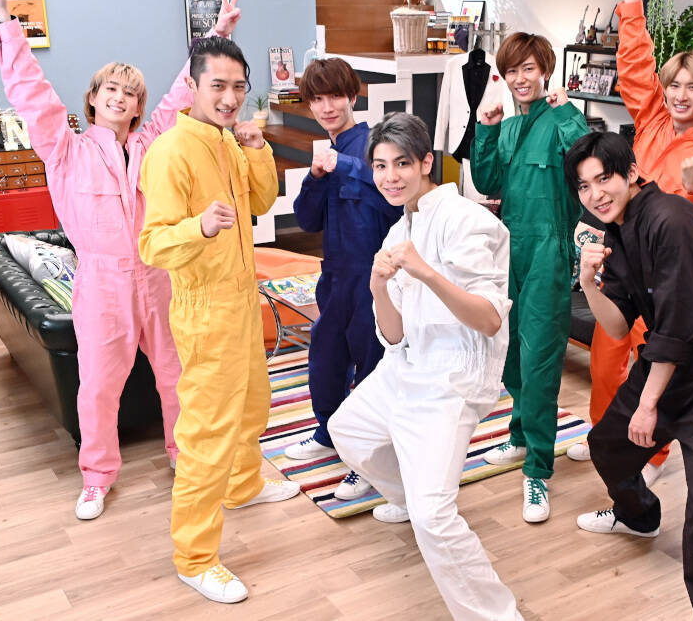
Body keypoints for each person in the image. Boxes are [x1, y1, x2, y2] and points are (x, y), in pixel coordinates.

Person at [0, 0, 244, 520]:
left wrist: (217, 32)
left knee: (177, 374)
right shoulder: (65, 149)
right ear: (94, 98)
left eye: (131, 93)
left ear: (139, 106)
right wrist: (3, 19)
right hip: (101, 283)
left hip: (158, 274)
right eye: (111, 90)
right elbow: (33, 95)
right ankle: (97, 477)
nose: (121, 98)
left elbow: (182, 93)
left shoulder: (153, 143)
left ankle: (183, 456)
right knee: (98, 385)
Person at [328, 112, 522, 621]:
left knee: (435, 517)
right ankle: (410, 498)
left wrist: (427, 273)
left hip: (453, 378)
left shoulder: (468, 220)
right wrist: (377, 288)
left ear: (426, 163)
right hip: (406, 366)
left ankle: (498, 616)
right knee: (348, 429)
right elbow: (393, 336)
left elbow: (488, 320)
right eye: (380, 166)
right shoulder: (399, 229)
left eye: (402, 164)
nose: (390, 177)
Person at [569, 132, 693, 621]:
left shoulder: (669, 220)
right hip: (671, 362)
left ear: (632, 173)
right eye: (584, 186)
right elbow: (617, 325)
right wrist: (588, 282)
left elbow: (678, 326)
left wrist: (648, 404)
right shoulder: (618, 232)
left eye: (604, 179)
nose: (595, 194)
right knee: (608, 446)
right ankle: (639, 516)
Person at [139, 37, 299, 604]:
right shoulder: (170, 152)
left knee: (254, 402)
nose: (230, 98)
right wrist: (199, 227)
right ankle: (195, 556)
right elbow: (152, 244)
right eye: (218, 86)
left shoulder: (229, 141)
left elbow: (262, 201)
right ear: (192, 86)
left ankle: (243, 484)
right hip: (205, 308)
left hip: (242, 296)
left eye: (238, 87)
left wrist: (257, 147)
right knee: (207, 434)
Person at [569, 0, 693, 488]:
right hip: (621, 263)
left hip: (664, 282)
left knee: (652, 365)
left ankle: (654, 455)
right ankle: (601, 430)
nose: (681, 96)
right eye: (675, 85)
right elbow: (636, 62)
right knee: (605, 354)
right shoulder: (653, 121)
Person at [471, 32, 589, 523]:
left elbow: (586, 160)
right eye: (512, 71)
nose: (520, 79)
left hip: (548, 253)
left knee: (540, 359)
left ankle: (538, 468)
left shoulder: (563, 119)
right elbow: (486, 182)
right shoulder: (510, 127)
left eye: (529, 69)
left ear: (545, 71)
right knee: (510, 354)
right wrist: (485, 129)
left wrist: (568, 111)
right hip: (508, 252)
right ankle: (520, 436)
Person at [284, 58, 401, 502]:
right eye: (317, 99)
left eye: (335, 96)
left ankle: (369, 459)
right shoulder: (324, 154)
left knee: (372, 364)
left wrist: (345, 166)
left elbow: (395, 199)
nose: (327, 107)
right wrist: (316, 176)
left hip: (374, 277)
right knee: (326, 356)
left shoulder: (375, 145)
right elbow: (306, 220)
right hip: (333, 274)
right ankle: (329, 431)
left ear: (353, 96)